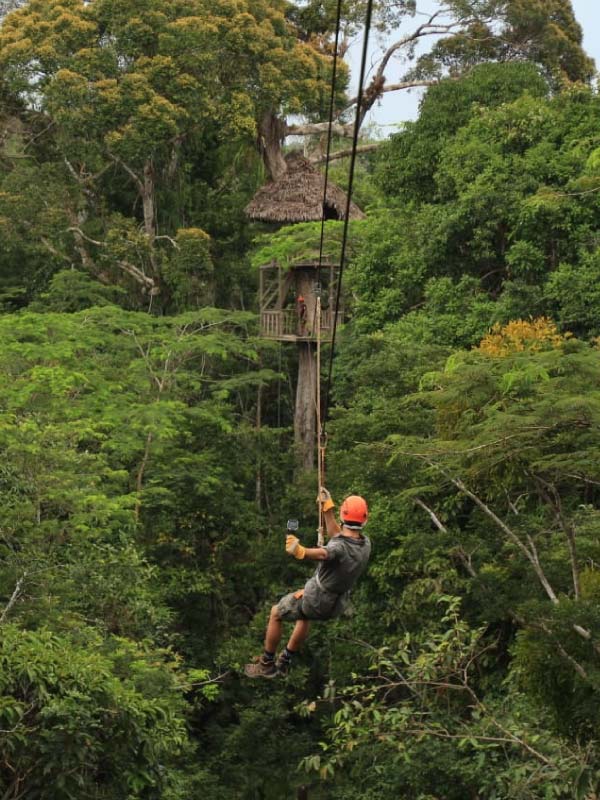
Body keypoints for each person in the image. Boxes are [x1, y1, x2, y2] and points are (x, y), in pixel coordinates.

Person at [244, 488, 371, 678]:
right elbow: (338, 536)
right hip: (336, 604)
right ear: (365, 519)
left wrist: (300, 550)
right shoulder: (365, 543)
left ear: (343, 517)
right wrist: (327, 509)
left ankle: (266, 664)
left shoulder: (339, 548)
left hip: (318, 599)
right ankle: (285, 661)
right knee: (303, 615)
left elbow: (325, 552)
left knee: (275, 613)